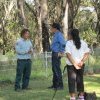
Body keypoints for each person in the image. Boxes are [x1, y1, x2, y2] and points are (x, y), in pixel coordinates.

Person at [65, 29, 90, 100]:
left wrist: (74, 64)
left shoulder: (69, 43)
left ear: (71, 35)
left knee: (71, 82)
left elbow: (68, 55)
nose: (68, 36)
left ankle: (72, 98)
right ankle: (81, 97)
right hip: (80, 65)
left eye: (69, 34)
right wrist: (81, 62)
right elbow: (87, 53)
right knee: (80, 81)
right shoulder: (83, 43)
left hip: (71, 65)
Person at [49, 23, 66, 90]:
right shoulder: (55, 35)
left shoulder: (59, 35)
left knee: (57, 69)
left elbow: (63, 44)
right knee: (54, 69)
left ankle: (60, 85)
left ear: (55, 28)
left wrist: (61, 52)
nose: (51, 29)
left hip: (57, 53)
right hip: (54, 53)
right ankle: (55, 84)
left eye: (51, 28)